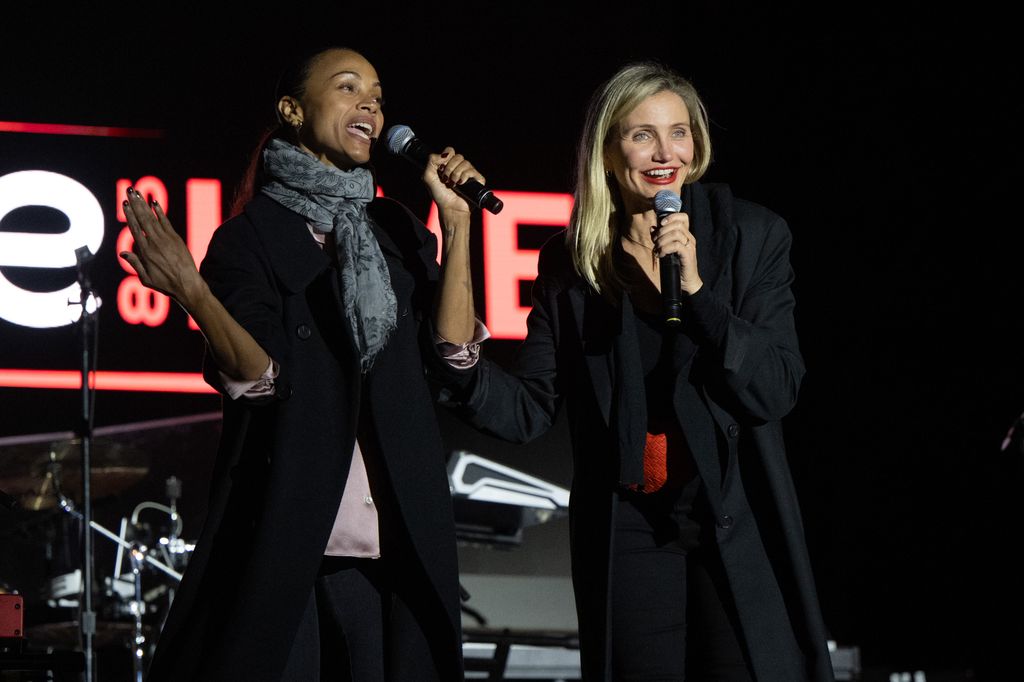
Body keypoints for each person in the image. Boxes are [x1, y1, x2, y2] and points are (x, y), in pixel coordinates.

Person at [430, 62, 834, 681]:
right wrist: (459, 358)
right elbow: (531, 408)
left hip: (732, 520)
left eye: (679, 133)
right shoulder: (573, 261)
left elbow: (776, 388)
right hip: (632, 528)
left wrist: (698, 295)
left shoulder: (750, 237)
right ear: (608, 149)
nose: (664, 152)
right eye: (642, 134)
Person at [120, 47, 483, 681]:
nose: (370, 104)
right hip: (291, 532)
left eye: (377, 93)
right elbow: (261, 381)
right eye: (348, 88)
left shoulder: (396, 228)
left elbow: (453, 355)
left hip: (395, 533)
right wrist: (194, 295)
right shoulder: (249, 237)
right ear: (293, 110)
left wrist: (457, 229)